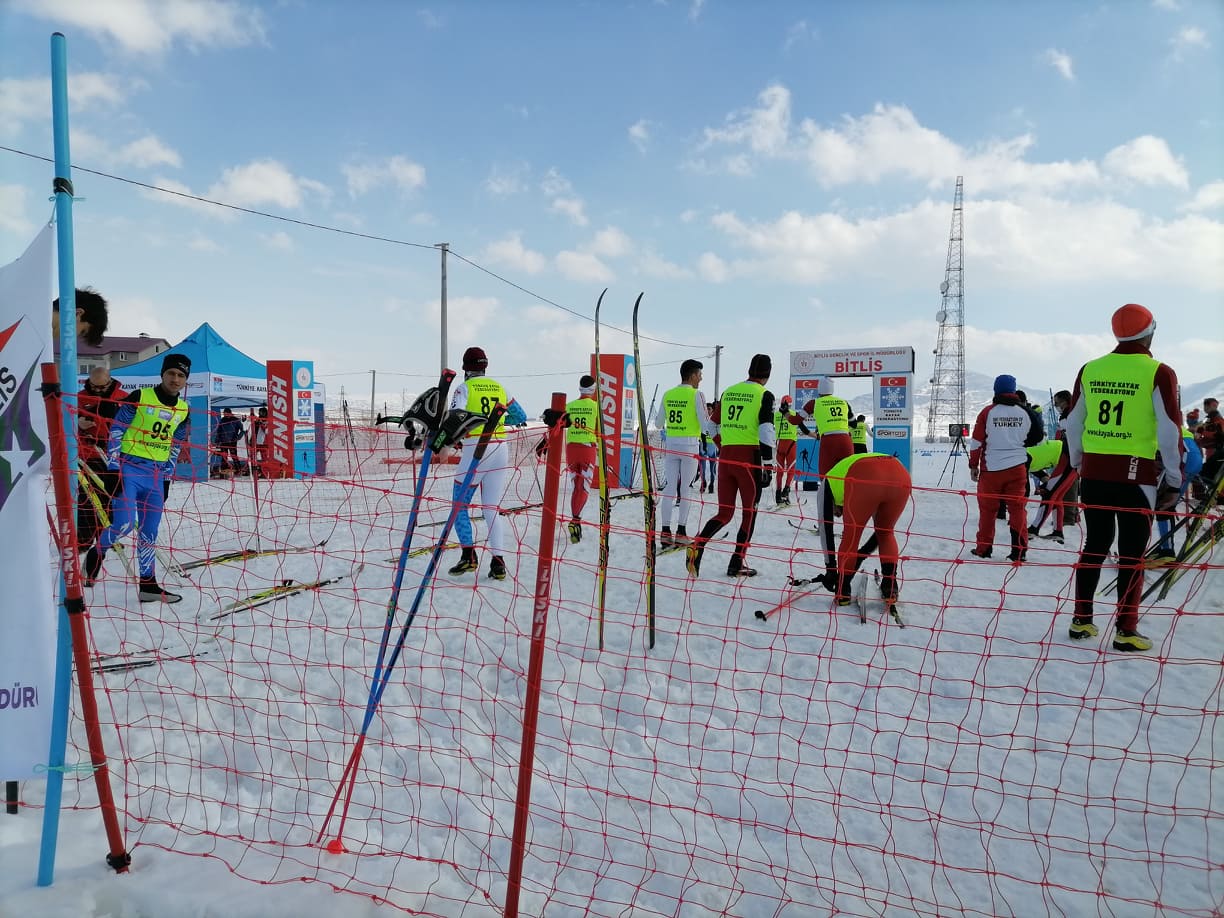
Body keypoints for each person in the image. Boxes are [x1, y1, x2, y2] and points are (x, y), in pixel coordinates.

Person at [1064, 303, 1183, 653]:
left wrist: (1077, 461)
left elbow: (1072, 423)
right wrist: (1174, 476)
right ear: (1150, 332)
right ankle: (1126, 630)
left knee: (1095, 545)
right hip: (1136, 474)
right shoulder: (1159, 371)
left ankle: (1081, 620)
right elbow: (1169, 429)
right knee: (1132, 554)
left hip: (1095, 471)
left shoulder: (1091, 368)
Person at [84, 353, 192, 603]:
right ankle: (97, 552)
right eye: (171, 373)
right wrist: (113, 469)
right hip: (129, 469)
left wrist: (166, 479)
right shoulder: (141, 396)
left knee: (149, 532)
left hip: (155, 475)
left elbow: (175, 446)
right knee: (123, 524)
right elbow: (117, 430)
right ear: (163, 374)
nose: (175, 379)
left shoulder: (184, 410)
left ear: (185, 380)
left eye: (181, 375)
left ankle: (147, 586)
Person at [686, 354, 776, 577]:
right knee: (749, 513)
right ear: (768, 373)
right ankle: (737, 561)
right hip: (750, 459)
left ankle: (697, 544)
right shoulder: (765, 394)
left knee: (724, 513)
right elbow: (766, 430)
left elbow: (710, 427)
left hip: (726, 456)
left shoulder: (729, 391)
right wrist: (768, 464)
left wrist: (723, 446)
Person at [446, 346, 528, 580]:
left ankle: (468, 555)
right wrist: (500, 418)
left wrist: (450, 441)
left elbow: (455, 419)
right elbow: (520, 416)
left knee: (459, 505)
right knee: (490, 508)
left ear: (465, 367)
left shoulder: (464, 388)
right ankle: (498, 562)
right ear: (485, 365)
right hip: (501, 447)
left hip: (477, 448)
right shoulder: (500, 387)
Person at [967, 374, 1044, 562]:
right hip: (1017, 468)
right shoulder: (1026, 413)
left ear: (996, 390)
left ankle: (984, 549)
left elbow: (976, 442)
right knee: (1018, 510)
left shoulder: (987, 412)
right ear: (1013, 390)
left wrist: (973, 465)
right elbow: (1039, 438)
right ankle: (1019, 551)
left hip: (991, 469)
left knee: (988, 510)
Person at [820, 452, 913, 606]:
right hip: (899, 473)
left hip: (865, 474)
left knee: (852, 534)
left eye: (837, 512)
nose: (838, 514)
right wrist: (861, 555)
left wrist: (831, 569)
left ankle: (843, 590)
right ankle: (890, 585)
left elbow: (825, 530)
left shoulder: (826, 484)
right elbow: (879, 534)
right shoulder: (843, 477)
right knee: (886, 531)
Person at [657, 359, 717, 548]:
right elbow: (705, 423)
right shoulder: (697, 394)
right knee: (686, 489)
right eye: (699, 374)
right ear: (692, 375)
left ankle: (665, 532)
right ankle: (681, 532)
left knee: (669, 489)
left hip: (671, 444)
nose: (701, 378)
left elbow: (658, 423)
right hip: (690, 446)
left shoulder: (668, 393)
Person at [76, 367, 127, 551]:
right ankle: (83, 540)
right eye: (93, 387)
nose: (97, 390)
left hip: (114, 454)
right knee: (88, 498)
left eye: (101, 387)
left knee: (111, 497)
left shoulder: (123, 397)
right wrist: (78, 423)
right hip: (88, 454)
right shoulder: (79, 398)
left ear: (109, 381)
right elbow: (64, 419)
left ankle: (107, 537)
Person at [1027, 389, 1078, 544]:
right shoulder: (1071, 415)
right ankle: (1058, 531)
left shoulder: (1070, 415)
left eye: (1057, 403)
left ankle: (1034, 529)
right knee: (1057, 496)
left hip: (1069, 462)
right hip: (1065, 460)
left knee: (1049, 494)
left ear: (1065, 401)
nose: (1056, 406)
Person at [563, 375, 600, 544]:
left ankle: (575, 520)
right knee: (583, 487)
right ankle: (575, 520)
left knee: (575, 486)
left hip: (571, 449)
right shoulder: (595, 407)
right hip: (587, 449)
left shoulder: (568, 405)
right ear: (593, 389)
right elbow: (600, 430)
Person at [772, 396, 813, 507]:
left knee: (780, 471)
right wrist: (814, 435)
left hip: (780, 444)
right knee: (791, 470)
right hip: (791, 444)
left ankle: (778, 495)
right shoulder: (793, 414)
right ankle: (786, 491)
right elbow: (803, 429)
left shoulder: (775, 414)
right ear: (790, 404)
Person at [1194, 397, 1223, 492]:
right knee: (1210, 471)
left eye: (1207, 405)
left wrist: (1200, 437)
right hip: (1210, 448)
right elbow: (1200, 429)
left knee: (1212, 471)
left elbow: (1215, 434)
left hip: (1216, 449)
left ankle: (1212, 494)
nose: (1205, 408)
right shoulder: (1209, 418)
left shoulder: (1217, 418)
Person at [212, 407, 245, 477]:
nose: (225, 415)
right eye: (224, 413)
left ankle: (238, 470)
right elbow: (219, 431)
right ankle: (224, 470)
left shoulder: (236, 420)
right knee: (224, 456)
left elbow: (242, 430)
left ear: (230, 413)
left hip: (232, 441)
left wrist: (238, 438)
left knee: (234, 456)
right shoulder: (222, 420)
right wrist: (217, 441)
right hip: (223, 441)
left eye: (226, 413)